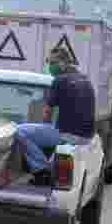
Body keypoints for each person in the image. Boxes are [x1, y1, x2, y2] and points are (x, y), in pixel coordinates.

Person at [15, 47, 95, 185]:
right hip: (86, 137)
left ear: (63, 63)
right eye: (49, 62)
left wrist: (43, 130)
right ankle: (47, 166)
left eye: (52, 63)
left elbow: (47, 113)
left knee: (19, 130)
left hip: (67, 134)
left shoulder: (60, 80)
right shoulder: (85, 80)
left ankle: (41, 169)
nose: (50, 67)